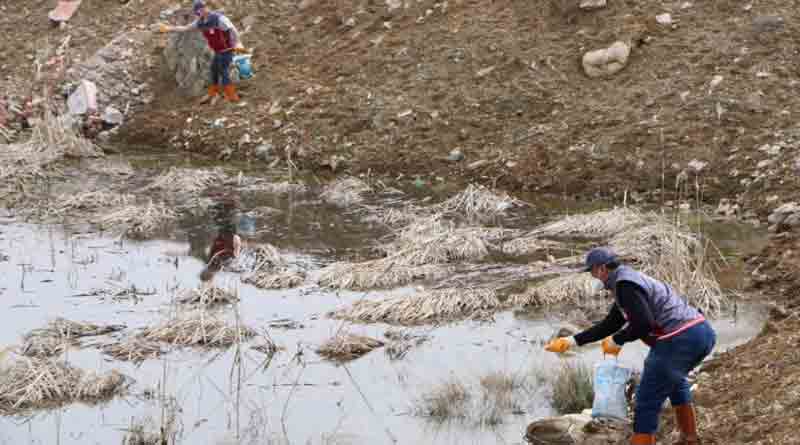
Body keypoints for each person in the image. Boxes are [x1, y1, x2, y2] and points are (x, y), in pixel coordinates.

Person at [545, 247, 716, 445]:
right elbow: (610, 324)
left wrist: (618, 339)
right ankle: (690, 439)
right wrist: (571, 341)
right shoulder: (626, 283)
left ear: (601, 269)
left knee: (645, 400)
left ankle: (679, 438)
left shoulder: (625, 285)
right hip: (701, 333)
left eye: (592, 271)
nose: (593, 276)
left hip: (680, 338)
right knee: (675, 383)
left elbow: (644, 323)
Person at [159, 0, 244, 104]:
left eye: (203, 8)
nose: (202, 11)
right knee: (214, 69)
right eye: (199, 11)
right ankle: (213, 93)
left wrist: (238, 43)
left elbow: (232, 29)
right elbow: (185, 28)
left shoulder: (218, 18)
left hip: (227, 49)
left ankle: (232, 96)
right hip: (218, 51)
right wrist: (169, 28)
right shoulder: (200, 23)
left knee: (223, 70)